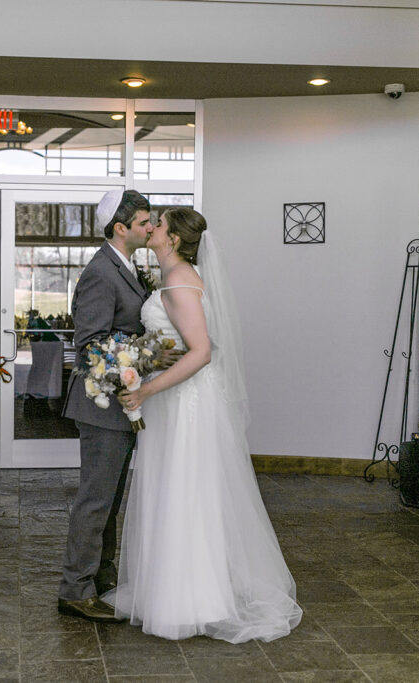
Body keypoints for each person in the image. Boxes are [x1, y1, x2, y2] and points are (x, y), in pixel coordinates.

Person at [114, 208, 303, 643]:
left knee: (186, 490)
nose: (152, 229)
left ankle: (191, 599)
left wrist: (146, 390)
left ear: (174, 239)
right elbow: (182, 344)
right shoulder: (176, 277)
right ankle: (177, 589)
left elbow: (201, 352)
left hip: (185, 406)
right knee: (181, 489)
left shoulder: (180, 282)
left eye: (158, 224)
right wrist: (142, 361)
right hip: (178, 402)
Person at [57, 189, 152, 622]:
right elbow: (90, 346)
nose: (150, 228)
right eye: (144, 223)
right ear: (121, 228)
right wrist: (141, 360)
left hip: (120, 407)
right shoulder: (101, 272)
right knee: (95, 501)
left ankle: (101, 577)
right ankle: (75, 588)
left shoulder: (127, 267)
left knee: (110, 499)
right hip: (102, 407)